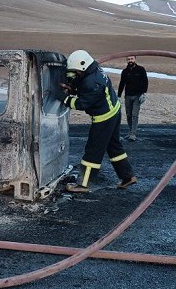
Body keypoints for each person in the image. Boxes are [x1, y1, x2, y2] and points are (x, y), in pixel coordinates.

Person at [57, 50, 137, 193]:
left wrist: (64, 98)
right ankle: (128, 176)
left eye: (75, 72)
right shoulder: (93, 70)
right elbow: (84, 85)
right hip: (114, 111)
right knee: (113, 146)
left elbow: (82, 104)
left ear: (82, 66)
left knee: (93, 150)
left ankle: (83, 184)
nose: (74, 75)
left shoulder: (92, 82)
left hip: (104, 118)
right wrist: (72, 88)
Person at [117, 55, 148, 141]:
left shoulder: (141, 70)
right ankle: (130, 131)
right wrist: (119, 96)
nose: (130, 60)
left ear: (135, 59)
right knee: (128, 115)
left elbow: (145, 81)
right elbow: (122, 84)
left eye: (132, 59)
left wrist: (144, 93)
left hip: (138, 96)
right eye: (128, 59)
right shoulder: (124, 71)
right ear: (127, 61)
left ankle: (133, 134)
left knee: (135, 115)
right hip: (128, 96)